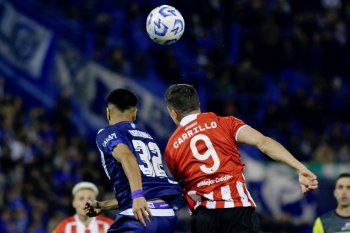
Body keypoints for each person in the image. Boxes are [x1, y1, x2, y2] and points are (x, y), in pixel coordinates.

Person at [163, 84, 319, 233]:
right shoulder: (225, 123)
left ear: (173, 112)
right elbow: (263, 142)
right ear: (198, 104)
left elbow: (180, 185)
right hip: (237, 209)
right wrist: (300, 168)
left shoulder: (171, 147)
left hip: (204, 218)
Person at [89, 88, 182, 233]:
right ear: (134, 113)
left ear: (108, 112)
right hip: (166, 216)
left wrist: (138, 196)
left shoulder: (108, 132)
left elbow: (127, 157)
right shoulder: (146, 136)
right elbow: (149, 188)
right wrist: (103, 205)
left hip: (139, 218)